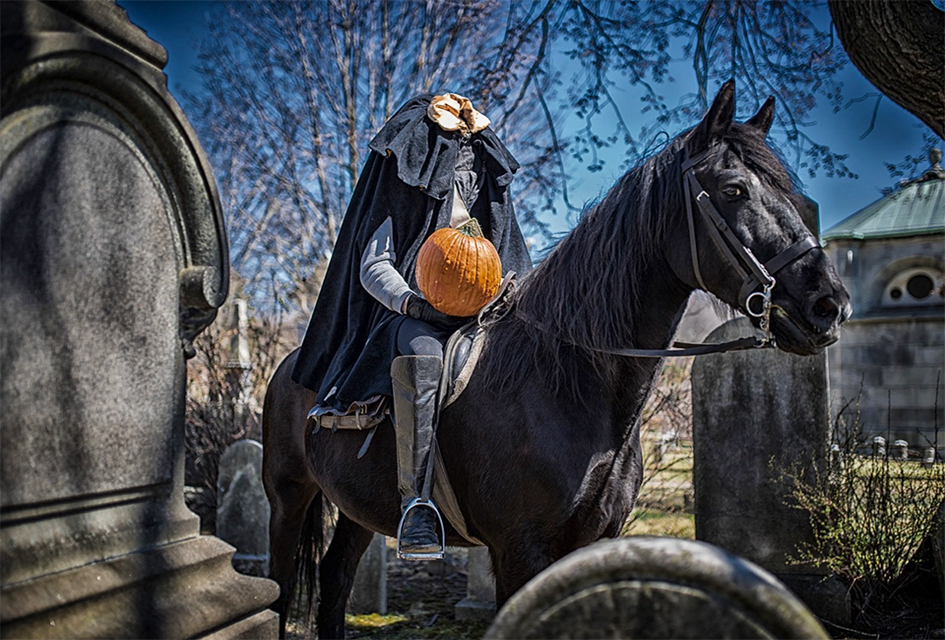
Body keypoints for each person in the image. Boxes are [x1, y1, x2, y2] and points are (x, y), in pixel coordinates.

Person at [292, 93, 531, 556]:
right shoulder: (400, 188)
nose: (462, 158)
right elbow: (374, 266)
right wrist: (414, 306)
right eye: (453, 148)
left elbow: (508, 261)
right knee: (425, 356)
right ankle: (416, 504)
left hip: (483, 316)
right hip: (411, 318)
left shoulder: (487, 195)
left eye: (468, 149)